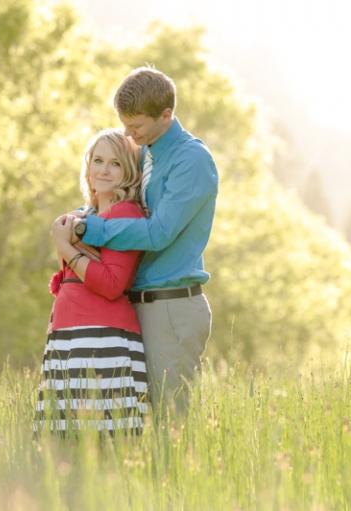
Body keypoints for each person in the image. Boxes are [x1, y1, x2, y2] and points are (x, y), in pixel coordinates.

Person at [67, 66, 218, 417]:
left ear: (166, 115)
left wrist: (88, 231)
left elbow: (158, 232)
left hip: (170, 307)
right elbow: (121, 203)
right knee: (134, 422)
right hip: (136, 306)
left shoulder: (190, 160)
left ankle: (182, 474)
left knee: (170, 423)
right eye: (124, 123)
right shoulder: (147, 150)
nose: (127, 133)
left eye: (135, 125)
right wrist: (79, 217)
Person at [34, 128, 149, 436]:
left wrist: (66, 249)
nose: (104, 169)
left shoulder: (127, 213)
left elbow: (113, 284)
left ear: (128, 171)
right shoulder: (83, 216)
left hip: (104, 338)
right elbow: (68, 283)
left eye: (115, 163)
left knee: (107, 442)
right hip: (67, 337)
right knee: (61, 443)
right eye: (98, 160)